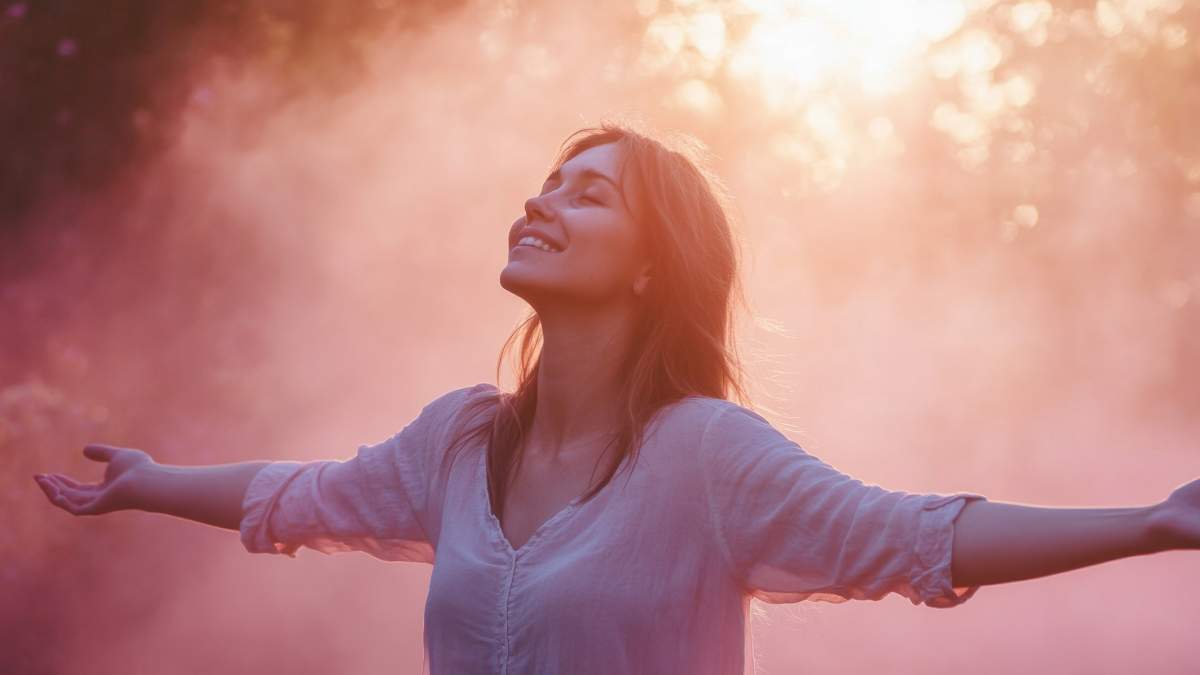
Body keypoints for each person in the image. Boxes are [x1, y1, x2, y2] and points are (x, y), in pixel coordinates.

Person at [34, 123, 1200, 675]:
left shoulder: (704, 455)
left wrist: (1153, 522)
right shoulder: (459, 440)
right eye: (545, 179)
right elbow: (301, 496)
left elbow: (913, 535)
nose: (541, 201)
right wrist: (148, 486)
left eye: (586, 196)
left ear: (651, 267)